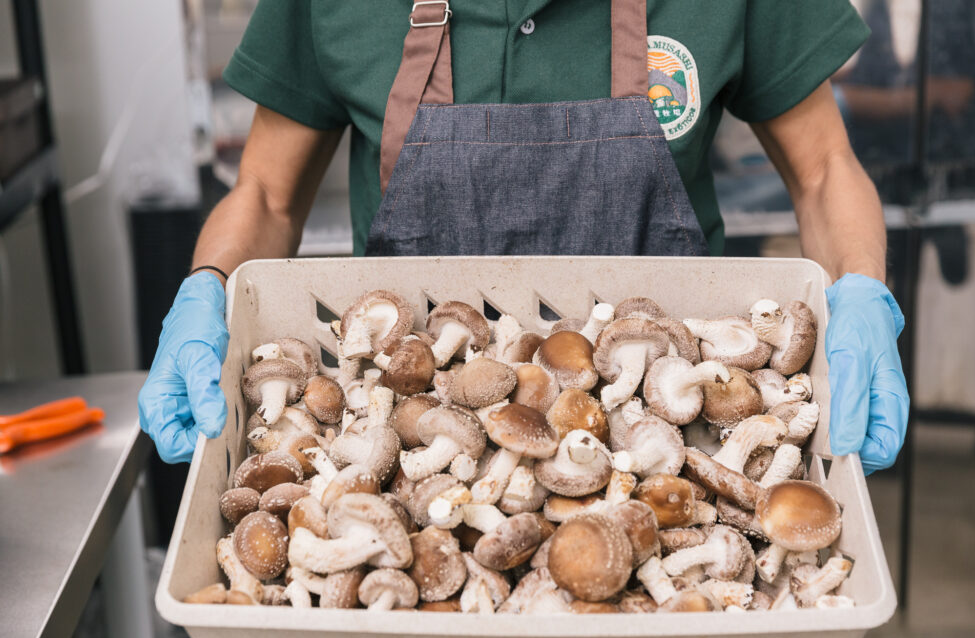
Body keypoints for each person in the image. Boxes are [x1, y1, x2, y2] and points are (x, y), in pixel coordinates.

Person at [139, 0, 909, 475]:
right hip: (408, 444)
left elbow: (825, 171)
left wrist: (861, 290)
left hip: (676, 444)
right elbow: (268, 193)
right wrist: (207, 286)